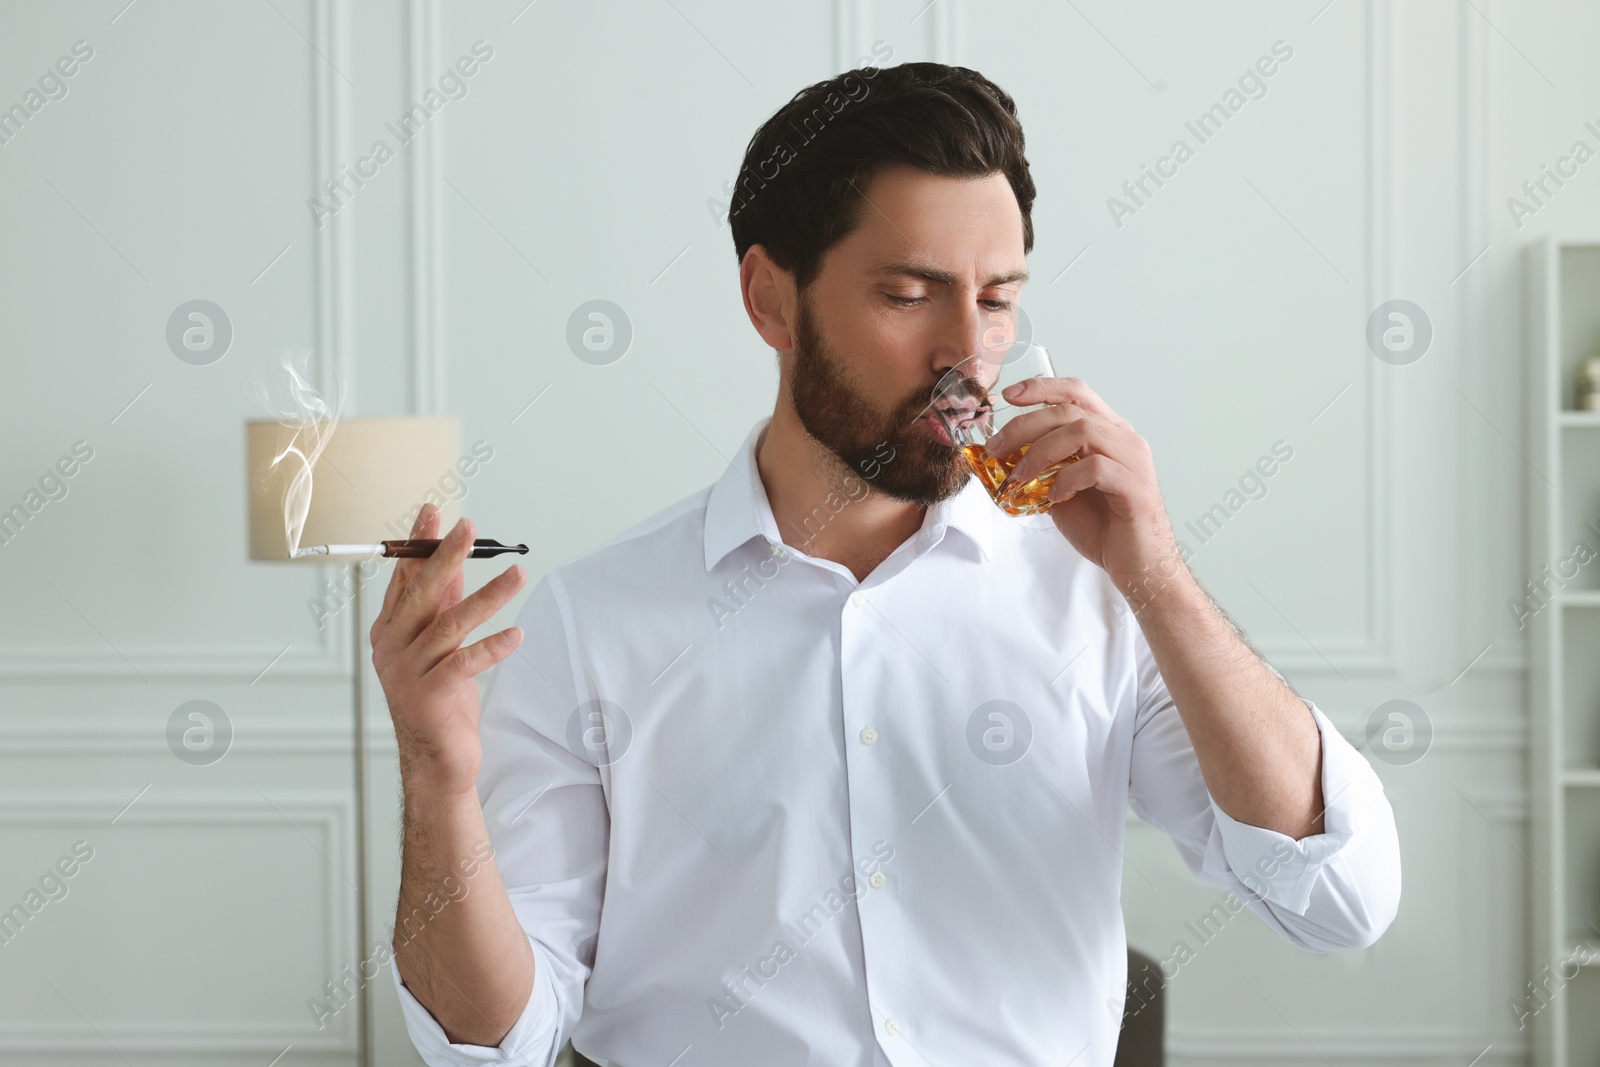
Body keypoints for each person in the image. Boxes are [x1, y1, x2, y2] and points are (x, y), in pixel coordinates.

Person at [371, 61, 1401, 1067]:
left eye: (998, 300)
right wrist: (435, 770)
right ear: (770, 300)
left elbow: (1337, 897)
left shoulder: (1100, 596)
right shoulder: (591, 623)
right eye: (909, 294)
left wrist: (1160, 577)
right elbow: (491, 1041)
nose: (968, 351)